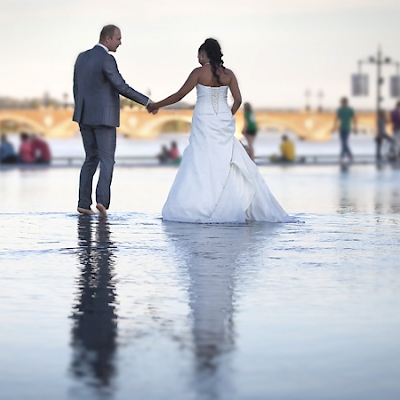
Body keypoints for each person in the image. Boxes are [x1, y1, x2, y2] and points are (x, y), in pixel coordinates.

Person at [147, 38, 290, 223]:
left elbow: (180, 94)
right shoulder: (228, 74)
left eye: (199, 54)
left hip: (204, 118)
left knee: (202, 159)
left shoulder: (198, 72)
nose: (198, 58)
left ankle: (201, 203)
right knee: (224, 159)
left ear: (204, 54)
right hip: (222, 117)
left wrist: (157, 105)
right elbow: (238, 99)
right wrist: (228, 115)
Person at [73, 24, 155, 217]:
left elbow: (76, 87)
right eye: (118, 38)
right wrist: (147, 102)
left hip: (84, 117)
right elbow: (121, 86)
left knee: (90, 159)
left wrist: (80, 112)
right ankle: (102, 201)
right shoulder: (107, 59)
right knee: (107, 160)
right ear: (107, 39)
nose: (120, 42)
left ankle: (83, 203)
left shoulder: (81, 57)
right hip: (104, 118)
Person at [332, 97, 357, 163]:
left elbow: (354, 119)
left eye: (343, 102)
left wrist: (355, 128)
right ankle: (350, 156)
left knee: (344, 143)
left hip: (347, 128)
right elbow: (336, 119)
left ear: (346, 103)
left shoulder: (350, 110)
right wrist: (334, 128)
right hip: (341, 128)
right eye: (341, 102)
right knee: (343, 143)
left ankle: (341, 157)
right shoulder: (339, 110)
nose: (342, 104)